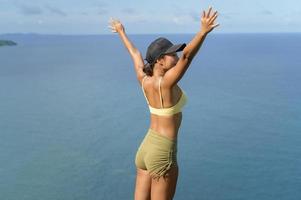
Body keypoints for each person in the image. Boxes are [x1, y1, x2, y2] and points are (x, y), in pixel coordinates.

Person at [108, 6, 219, 200]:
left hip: (146, 149)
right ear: (160, 60)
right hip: (162, 152)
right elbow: (187, 56)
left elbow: (135, 54)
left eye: (175, 54)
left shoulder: (144, 80)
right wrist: (202, 32)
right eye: (171, 55)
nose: (176, 57)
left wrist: (121, 31)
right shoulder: (166, 83)